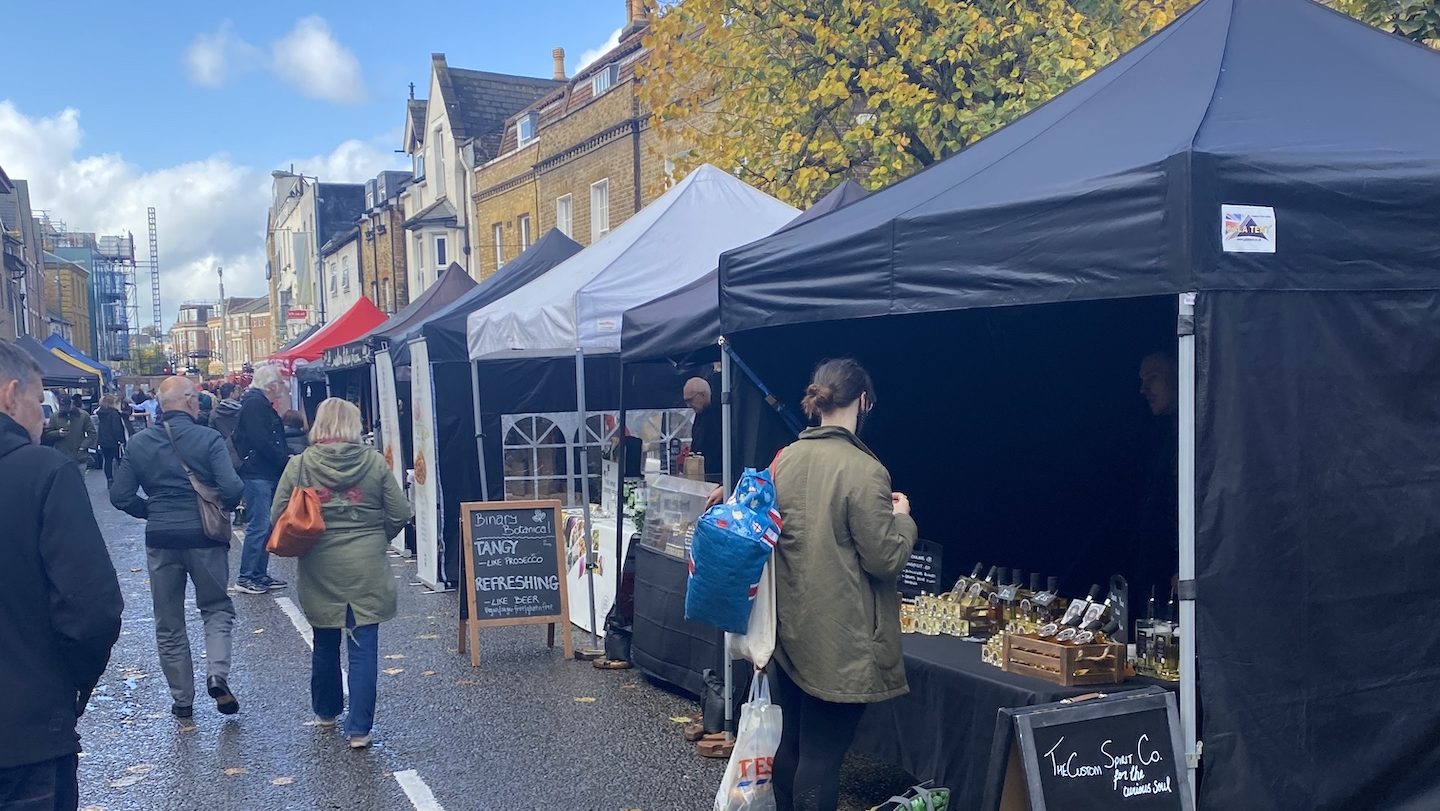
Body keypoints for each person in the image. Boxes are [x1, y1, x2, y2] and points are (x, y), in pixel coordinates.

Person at [768, 358, 917, 811]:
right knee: (823, 757)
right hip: (842, 641)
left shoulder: (785, 458)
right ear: (863, 401)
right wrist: (903, 520)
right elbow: (885, 558)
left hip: (787, 629)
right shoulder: (865, 470)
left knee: (792, 745)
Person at [0, 341, 123, 809]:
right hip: (25, 735)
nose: (42, 419)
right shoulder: (43, 472)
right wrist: (64, 687)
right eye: (37, 403)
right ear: (12, 396)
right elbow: (93, 609)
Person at [272, 398, 411, 749]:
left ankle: (326, 710)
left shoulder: (300, 465)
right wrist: (378, 537)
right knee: (363, 648)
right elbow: (400, 510)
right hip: (366, 563)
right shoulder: (374, 462)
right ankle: (360, 729)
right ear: (352, 424)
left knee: (324, 640)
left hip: (320, 562)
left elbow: (278, 514)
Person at [110, 376, 244, 720]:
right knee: (215, 607)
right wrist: (222, 504)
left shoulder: (139, 443)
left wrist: (151, 510)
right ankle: (217, 673)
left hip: (161, 538)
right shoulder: (209, 439)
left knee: (168, 622)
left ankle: (182, 699)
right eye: (196, 398)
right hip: (204, 537)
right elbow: (231, 487)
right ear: (187, 401)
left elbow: (120, 495)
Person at [233, 365, 291, 595]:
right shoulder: (256, 404)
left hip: (261, 471)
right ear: (271, 384)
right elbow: (263, 440)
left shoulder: (256, 402)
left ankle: (258, 574)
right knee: (258, 525)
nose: (283, 386)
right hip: (258, 472)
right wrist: (283, 460)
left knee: (263, 525)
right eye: (280, 382)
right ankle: (247, 576)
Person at [1133, 351, 1180, 607]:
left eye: (1153, 378)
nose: (1144, 389)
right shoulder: (1165, 433)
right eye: (1143, 380)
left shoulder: (1199, 430)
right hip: (1154, 567)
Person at [683, 376, 723, 483]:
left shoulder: (721, 412)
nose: (688, 405)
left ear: (702, 394)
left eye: (690, 400)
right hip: (702, 475)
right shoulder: (699, 415)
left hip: (718, 475)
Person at [43, 394, 96, 468]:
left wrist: (83, 446)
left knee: (79, 479)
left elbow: (92, 434)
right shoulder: (55, 416)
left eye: (66, 406)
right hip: (61, 458)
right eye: (61, 406)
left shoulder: (83, 415)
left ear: (71, 403)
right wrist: (58, 433)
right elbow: (47, 434)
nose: (64, 409)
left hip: (79, 457)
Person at [95, 394, 129, 487]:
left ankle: (109, 480)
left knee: (108, 461)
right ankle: (121, 480)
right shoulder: (114, 414)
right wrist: (121, 440)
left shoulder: (101, 414)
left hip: (104, 441)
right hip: (114, 441)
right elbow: (116, 428)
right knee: (119, 460)